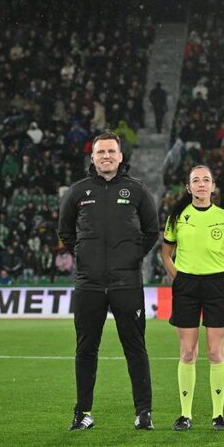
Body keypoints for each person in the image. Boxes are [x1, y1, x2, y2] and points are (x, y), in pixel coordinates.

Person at [58, 132, 159, 431]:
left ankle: (144, 413)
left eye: (111, 151)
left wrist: (130, 258)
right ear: (92, 157)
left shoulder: (137, 190)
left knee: (135, 348)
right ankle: (83, 413)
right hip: (89, 284)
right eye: (100, 152)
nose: (106, 156)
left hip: (126, 283)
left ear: (120, 156)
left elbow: (151, 232)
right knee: (86, 349)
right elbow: (66, 233)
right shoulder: (78, 192)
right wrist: (84, 254)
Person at [161, 165, 224, 431]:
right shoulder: (177, 217)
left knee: (214, 352)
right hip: (186, 285)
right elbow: (166, 254)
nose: (201, 184)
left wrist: (222, 281)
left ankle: (218, 415)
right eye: (196, 180)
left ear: (213, 187)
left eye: (206, 180)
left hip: (216, 286)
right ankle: (185, 415)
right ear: (188, 187)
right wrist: (180, 279)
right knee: (187, 352)